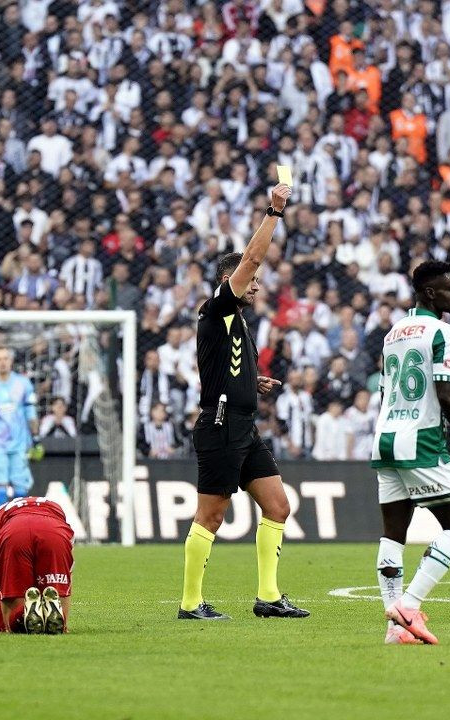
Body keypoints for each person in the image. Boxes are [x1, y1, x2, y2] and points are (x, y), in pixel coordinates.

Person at [178, 183, 309, 621]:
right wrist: (274, 213)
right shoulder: (217, 308)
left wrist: (254, 381)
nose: (256, 283)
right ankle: (191, 603)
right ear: (230, 281)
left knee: (277, 506)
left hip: (243, 426)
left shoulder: (239, 324)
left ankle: (268, 598)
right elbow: (252, 257)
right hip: (218, 425)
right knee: (211, 516)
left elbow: (226, 368)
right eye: (250, 279)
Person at [371, 260, 450, 645]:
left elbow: (385, 392)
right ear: (430, 293)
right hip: (420, 440)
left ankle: (394, 630)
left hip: (384, 437)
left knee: (393, 533)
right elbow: (445, 390)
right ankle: (409, 605)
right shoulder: (443, 332)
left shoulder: (394, 332)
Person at [0, 496, 73, 634]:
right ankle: (57, 614)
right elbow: (68, 575)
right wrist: (65, 627)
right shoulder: (55, 506)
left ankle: (23, 612)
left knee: (14, 618)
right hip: (54, 530)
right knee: (56, 588)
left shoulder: (0, 511)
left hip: (14, 530)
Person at [0, 346, 42, 506]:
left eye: (5, 358)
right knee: (0, 483)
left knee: (20, 483)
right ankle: (2, 525)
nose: (2, 362)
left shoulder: (23, 384)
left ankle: (19, 524)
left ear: (11, 361)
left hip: (20, 443)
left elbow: (31, 413)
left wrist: (37, 440)